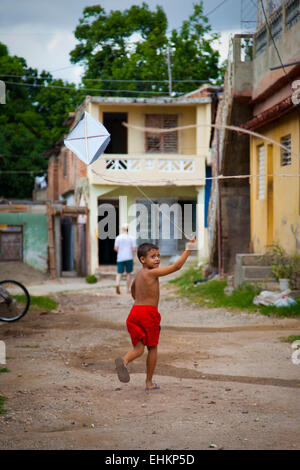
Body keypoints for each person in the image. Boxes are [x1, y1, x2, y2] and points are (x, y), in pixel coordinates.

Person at [115, 237, 195, 391]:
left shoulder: (139, 275)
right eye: (153, 257)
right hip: (148, 313)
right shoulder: (152, 274)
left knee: (138, 349)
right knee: (152, 348)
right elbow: (177, 266)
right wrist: (189, 248)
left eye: (158, 255)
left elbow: (133, 290)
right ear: (142, 259)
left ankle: (124, 361)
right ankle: (149, 382)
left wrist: (139, 299)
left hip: (134, 313)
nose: (157, 259)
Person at [114, 223, 137, 294]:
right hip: (129, 257)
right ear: (128, 229)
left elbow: (115, 248)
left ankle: (117, 284)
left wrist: (120, 251)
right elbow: (134, 249)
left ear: (122, 229)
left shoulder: (118, 238)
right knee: (128, 273)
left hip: (120, 258)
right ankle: (127, 289)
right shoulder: (132, 238)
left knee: (119, 273)